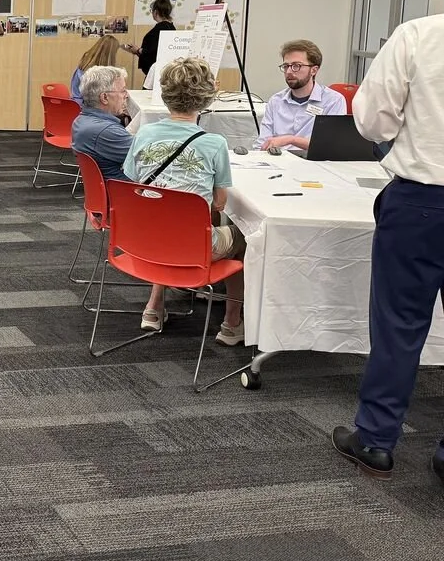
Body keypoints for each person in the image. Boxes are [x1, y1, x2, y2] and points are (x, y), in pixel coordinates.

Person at [332, 15, 444, 481]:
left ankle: (377, 440)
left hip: (422, 201)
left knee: (399, 325)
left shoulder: (420, 34)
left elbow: (373, 122)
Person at [124, 57, 246, 343]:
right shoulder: (214, 143)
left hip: (144, 242)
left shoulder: (143, 134)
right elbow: (219, 202)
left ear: (165, 95)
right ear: (206, 99)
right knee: (245, 237)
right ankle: (231, 323)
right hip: (193, 245)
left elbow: (133, 185)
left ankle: (153, 309)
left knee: (165, 220)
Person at [254, 39, 346, 153]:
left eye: (296, 66)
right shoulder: (276, 101)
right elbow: (262, 142)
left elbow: (331, 146)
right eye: (286, 66)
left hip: (313, 165)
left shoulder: (333, 101)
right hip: (278, 162)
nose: (289, 71)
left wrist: (291, 140)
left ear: (314, 70)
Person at [71, 65, 132, 182]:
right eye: (123, 90)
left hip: (110, 191)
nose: (126, 95)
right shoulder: (106, 131)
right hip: (128, 193)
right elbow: (152, 159)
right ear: (104, 97)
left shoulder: (81, 121)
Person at [121, 0, 176, 78]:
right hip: (164, 73)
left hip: (156, 74)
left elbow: (153, 51)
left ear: (155, 12)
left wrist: (139, 50)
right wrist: (138, 51)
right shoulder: (171, 27)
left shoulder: (160, 29)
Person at [71, 35, 120, 104]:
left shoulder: (83, 65)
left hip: (78, 105)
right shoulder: (102, 75)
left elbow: (76, 93)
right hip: (89, 108)